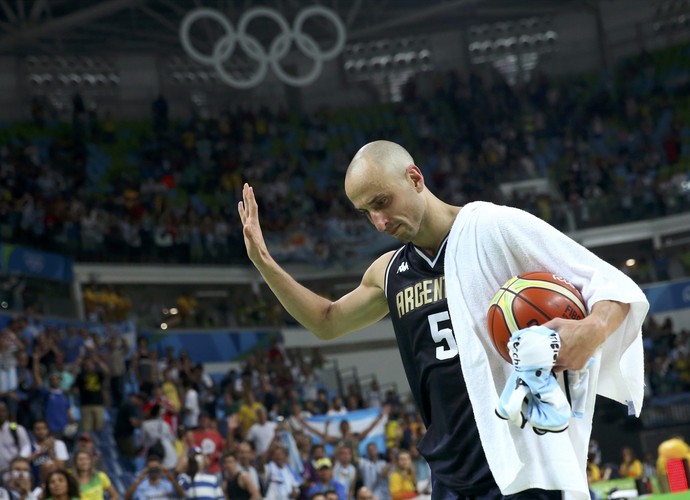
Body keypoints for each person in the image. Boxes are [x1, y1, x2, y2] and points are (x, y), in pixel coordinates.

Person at [238, 140, 650, 499]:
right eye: (366, 212)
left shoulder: (493, 226)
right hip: (450, 471)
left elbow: (612, 285)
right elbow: (326, 322)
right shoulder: (389, 272)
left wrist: (590, 329)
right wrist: (265, 262)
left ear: (415, 178)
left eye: (381, 202)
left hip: (522, 463)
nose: (379, 222)